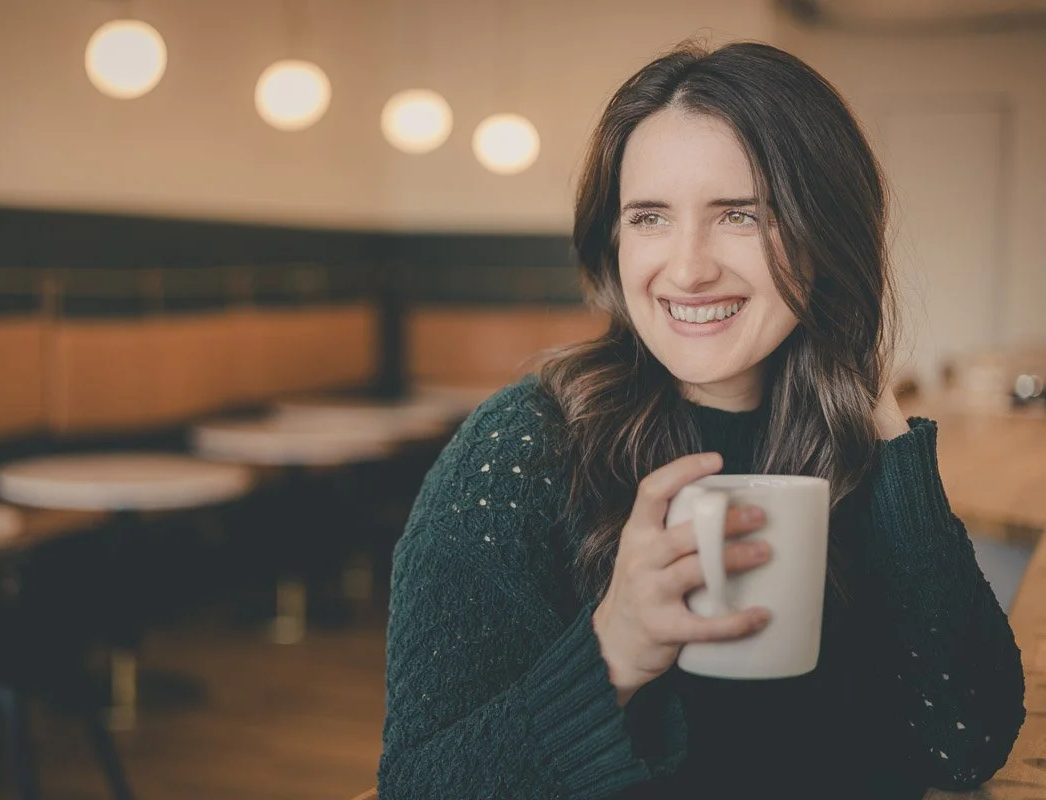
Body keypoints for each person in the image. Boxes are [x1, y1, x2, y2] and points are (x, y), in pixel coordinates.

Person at [377, 41, 1025, 799]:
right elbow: (419, 786)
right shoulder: (521, 450)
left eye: (740, 215)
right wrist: (611, 654)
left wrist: (881, 426)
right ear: (612, 238)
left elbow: (967, 743)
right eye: (649, 216)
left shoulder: (857, 447)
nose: (687, 268)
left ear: (827, 234)